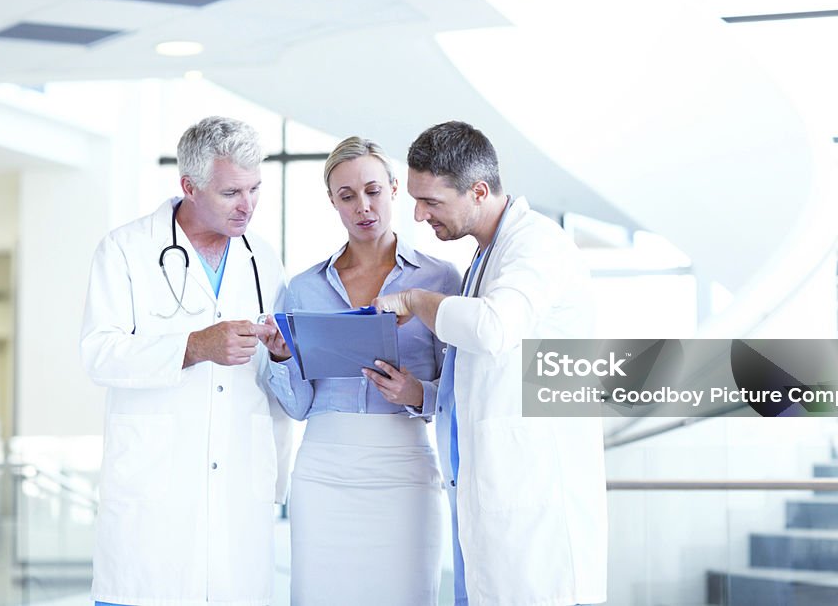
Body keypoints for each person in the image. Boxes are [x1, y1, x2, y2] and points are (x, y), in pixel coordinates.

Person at [372, 121, 608, 606]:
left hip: (534, 507)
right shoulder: (486, 256)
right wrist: (424, 395)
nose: (418, 215)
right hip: (489, 498)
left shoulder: (537, 245)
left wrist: (417, 300)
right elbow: (489, 384)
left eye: (432, 201)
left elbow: (493, 328)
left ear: (478, 191)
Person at [79, 116, 292, 606]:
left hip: (239, 488)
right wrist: (193, 346)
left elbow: (270, 374)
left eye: (255, 188)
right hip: (155, 498)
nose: (248, 205)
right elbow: (99, 354)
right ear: (189, 187)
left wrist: (281, 354)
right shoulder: (125, 249)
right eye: (231, 192)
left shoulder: (262, 257)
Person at [254, 136, 459, 605]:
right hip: (323, 471)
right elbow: (300, 406)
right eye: (347, 196)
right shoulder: (304, 288)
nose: (362, 206)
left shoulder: (440, 279)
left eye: (372, 191)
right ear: (333, 202)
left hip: (404, 468)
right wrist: (282, 358)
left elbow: (464, 386)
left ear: (393, 189)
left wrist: (417, 393)